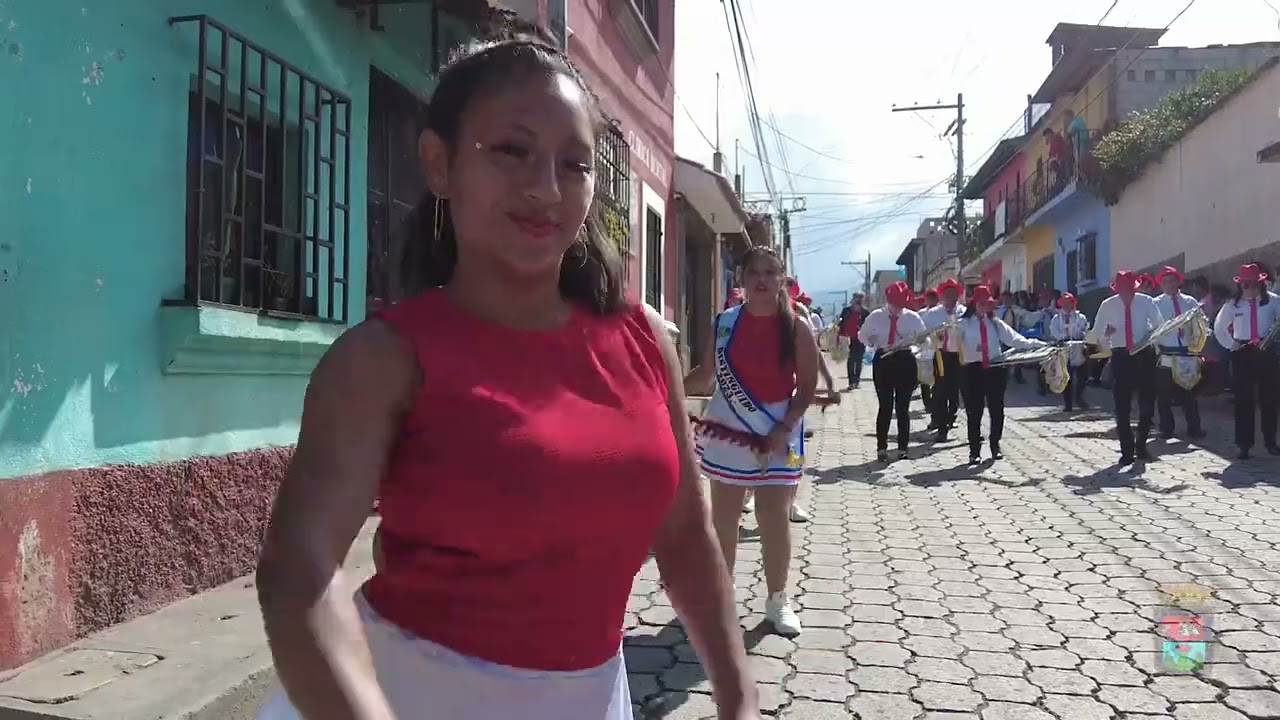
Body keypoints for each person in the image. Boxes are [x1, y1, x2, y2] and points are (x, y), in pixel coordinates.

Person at [253, 34, 759, 720]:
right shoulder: (382, 359)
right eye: (513, 152)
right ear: (440, 163)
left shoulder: (642, 341)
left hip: (592, 698)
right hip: (403, 696)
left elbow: (686, 534)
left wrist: (737, 691)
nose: (545, 189)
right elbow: (300, 568)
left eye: (574, 165)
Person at [684, 245, 833, 635]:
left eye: (771, 273)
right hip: (729, 429)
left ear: (782, 280)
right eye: (755, 273)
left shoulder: (797, 326)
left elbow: (805, 390)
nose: (763, 280)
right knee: (724, 520)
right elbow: (706, 376)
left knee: (773, 518)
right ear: (743, 280)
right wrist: (665, 386)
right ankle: (720, 600)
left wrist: (783, 429)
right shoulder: (725, 323)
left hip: (780, 430)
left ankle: (777, 601)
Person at [957, 286, 1047, 463]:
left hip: (995, 368)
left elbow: (1015, 339)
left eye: (988, 304)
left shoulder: (995, 323)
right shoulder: (963, 324)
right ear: (975, 304)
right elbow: (956, 348)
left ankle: (995, 445)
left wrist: (1037, 344)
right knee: (974, 411)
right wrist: (974, 350)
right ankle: (974, 449)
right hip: (972, 370)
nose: (986, 307)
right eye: (982, 304)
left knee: (997, 409)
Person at [1095, 271, 1166, 465]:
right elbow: (1097, 332)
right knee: (1122, 407)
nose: (1126, 292)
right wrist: (1107, 334)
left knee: (1147, 405)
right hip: (1121, 356)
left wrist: (1149, 339)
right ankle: (1126, 451)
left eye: (1129, 288)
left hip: (1143, 355)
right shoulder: (1108, 305)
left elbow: (1160, 326)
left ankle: (1141, 445)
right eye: (1122, 289)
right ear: (1117, 289)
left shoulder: (1146, 302)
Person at [1213, 263, 1280, 459]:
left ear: (1260, 283)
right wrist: (1231, 345)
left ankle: (1270, 441)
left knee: (1269, 398)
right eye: (1245, 284)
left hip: (1265, 350)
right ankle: (1244, 444)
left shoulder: (1274, 301)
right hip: (1242, 352)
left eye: (1252, 284)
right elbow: (1219, 327)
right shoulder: (1233, 304)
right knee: (1243, 399)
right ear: (1240, 285)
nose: (1249, 288)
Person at [860, 281, 925, 462]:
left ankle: (902, 447)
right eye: (894, 303)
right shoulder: (876, 316)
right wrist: (871, 341)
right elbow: (862, 335)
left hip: (905, 361)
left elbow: (924, 339)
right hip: (884, 361)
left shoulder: (912, 317)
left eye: (900, 303)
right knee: (885, 406)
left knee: (903, 407)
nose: (897, 308)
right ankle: (882, 447)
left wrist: (917, 344)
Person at [1152, 266, 1205, 439]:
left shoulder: (1190, 302)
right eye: (1166, 282)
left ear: (1178, 282)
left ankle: (1194, 428)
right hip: (1166, 353)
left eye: (1173, 281)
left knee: (1189, 393)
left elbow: (1202, 321)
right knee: (1164, 394)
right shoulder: (1155, 304)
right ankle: (1166, 429)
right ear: (1161, 284)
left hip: (1187, 353)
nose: (1170, 285)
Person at [921, 279, 966, 439]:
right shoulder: (932, 314)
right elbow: (923, 335)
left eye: (954, 294)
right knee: (940, 392)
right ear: (941, 296)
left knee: (955, 391)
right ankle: (941, 428)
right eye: (947, 294)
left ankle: (950, 417)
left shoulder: (964, 312)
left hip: (959, 357)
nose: (951, 298)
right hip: (940, 356)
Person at [1049, 292, 1091, 411]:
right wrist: (1063, 337)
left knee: (1083, 377)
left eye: (1069, 302)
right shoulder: (1057, 318)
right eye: (1065, 303)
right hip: (1064, 349)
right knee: (1066, 378)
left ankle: (1079, 397)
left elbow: (1085, 329)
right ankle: (1068, 404)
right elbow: (1053, 331)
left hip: (1078, 348)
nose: (1067, 305)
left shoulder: (1080, 317)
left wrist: (1082, 335)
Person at [838, 293, 870, 390]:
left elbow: (869, 324)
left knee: (859, 359)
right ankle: (852, 381)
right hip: (848, 338)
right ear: (854, 298)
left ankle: (856, 380)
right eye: (857, 298)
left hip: (861, 338)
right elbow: (841, 323)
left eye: (861, 298)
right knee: (851, 359)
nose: (859, 300)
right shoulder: (846, 311)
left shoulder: (865, 312)